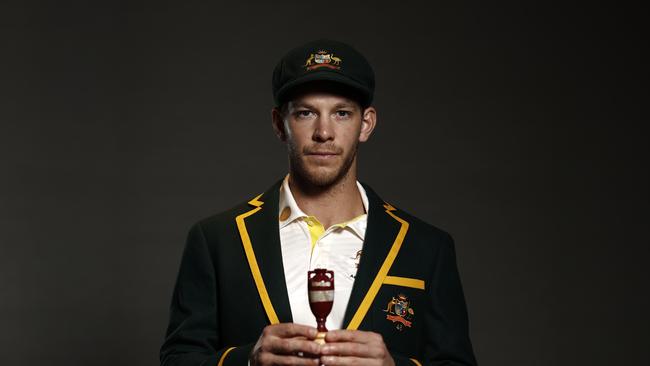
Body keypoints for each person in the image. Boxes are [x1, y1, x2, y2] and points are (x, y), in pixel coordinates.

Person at [160, 39, 477, 366]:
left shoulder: (426, 247)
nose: (323, 132)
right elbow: (178, 359)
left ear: (365, 124)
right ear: (279, 124)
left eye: (341, 113)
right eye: (305, 113)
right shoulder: (217, 240)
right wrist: (248, 361)